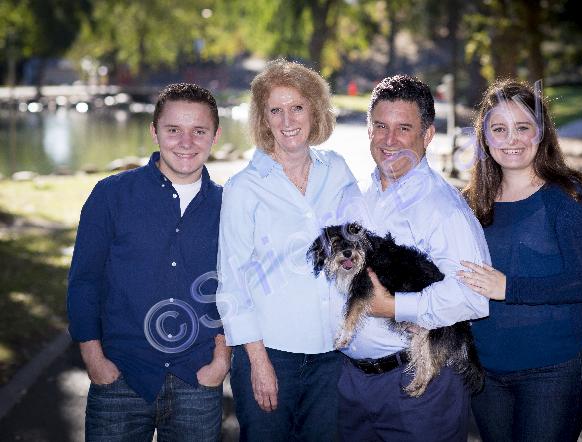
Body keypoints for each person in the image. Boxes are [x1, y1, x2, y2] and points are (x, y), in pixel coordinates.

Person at [67, 83, 231, 441]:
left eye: (199, 131)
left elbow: (238, 289)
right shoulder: (110, 195)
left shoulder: (230, 206)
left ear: (215, 136)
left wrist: (221, 361)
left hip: (197, 380)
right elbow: (84, 281)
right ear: (154, 131)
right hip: (120, 377)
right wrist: (95, 361)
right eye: (173, 130)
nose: (186, 142)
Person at [335, 74, 490, 441]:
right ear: (369, 130)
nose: (389, 140)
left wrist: (395, 307)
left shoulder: (445, 209)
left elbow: (474, 297)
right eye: (380, 126)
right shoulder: (351, 197)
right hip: (351, 385)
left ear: (428, 134)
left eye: (404, 128)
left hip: (421, 386)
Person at [215, 59, 357, 441]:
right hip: (270, 354)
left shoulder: (338, 171)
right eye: (275, 110)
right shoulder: (243, 188)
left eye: (297, 107)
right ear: (263, 119)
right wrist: (258, 362)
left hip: (332, 356)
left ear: (315, 110)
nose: (287, 120)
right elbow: (232, 284)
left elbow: (361, 246)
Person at [458, 79, 582, 441]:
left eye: (523, 127)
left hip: (552, 367)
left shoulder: (567, 197)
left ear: (541, 132)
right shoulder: (470, 203)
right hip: (485, 369)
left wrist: (508, 287)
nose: (512, 139)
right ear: (484, 137)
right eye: (499, 129)